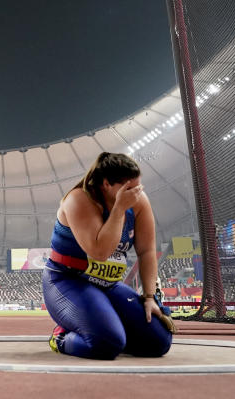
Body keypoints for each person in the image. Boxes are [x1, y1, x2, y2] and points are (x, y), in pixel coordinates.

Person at [43, 152, 175, 360]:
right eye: (128, 189)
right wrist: (120, 209)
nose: (136, 194)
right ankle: (61, 337)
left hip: (107, 284)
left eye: (138, 187)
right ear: (106, 184)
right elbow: (100, 253)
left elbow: (146, 251)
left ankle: (108, 328)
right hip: (68, 281)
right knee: (106, 344)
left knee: (158, 341)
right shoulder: (79, 200)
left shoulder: (138, 201)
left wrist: (150, 297)